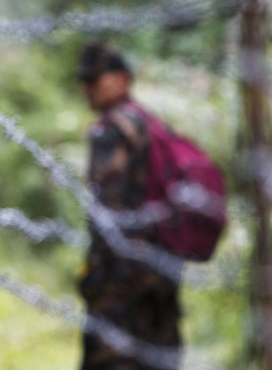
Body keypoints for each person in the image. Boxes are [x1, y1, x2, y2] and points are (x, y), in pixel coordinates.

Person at [77, 43, 182, 370]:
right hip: (162, 266)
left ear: (122, 79)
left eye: (96, 80)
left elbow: (109, 208)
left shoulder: (112, 128)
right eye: (84, 81)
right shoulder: (150, 122)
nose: (88, 89)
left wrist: (94, 276)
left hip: (122, 276)